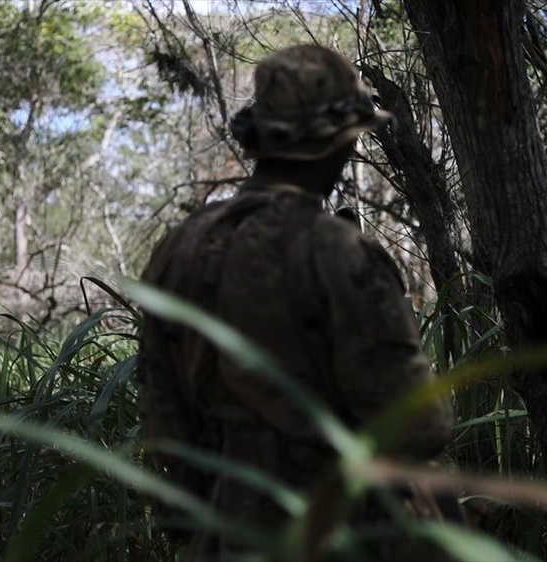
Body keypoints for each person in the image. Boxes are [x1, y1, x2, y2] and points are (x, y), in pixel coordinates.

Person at [137, 44, 455, 561]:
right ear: (340, 143)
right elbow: (419, 425)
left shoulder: (178, 248)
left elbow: (163, 415)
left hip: (219, 535)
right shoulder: (334, 249)